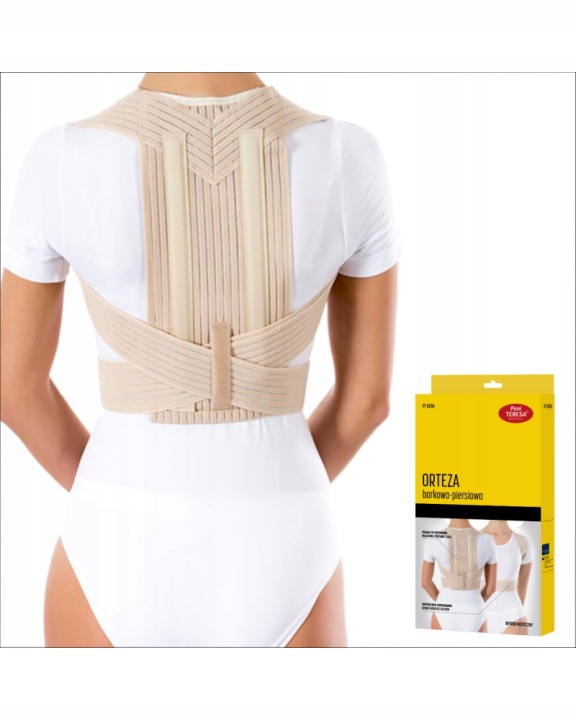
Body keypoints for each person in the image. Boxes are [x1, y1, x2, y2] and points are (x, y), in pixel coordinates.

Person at [0, 72, 401, 647]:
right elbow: (367, 402)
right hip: (285, 538)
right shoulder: (348, 154)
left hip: (115, 539)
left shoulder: (60, 158)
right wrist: (269, 485)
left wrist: (113, 485)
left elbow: (14, 388)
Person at [421, 519, 497, 632]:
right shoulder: (488, 540)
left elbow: (425, 583)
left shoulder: (433, 539)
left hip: (444, 611)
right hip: (475, 610)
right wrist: (472, 602)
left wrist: (444, 602)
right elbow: (491, 588)